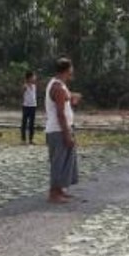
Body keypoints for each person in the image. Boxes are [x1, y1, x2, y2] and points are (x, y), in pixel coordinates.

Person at [44, 57, 80, 204]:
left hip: (62, 128)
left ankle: (60, 190)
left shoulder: (61, 85)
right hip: (58, 130)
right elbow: (60, 113)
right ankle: (54, 193)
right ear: (67, 69)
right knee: (58, 162)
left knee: (65, 161)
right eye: (71, 68)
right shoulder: (57, 87)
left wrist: (72, 99)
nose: (72, 71)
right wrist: (67, 134)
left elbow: (67, 100)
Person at [20, 70, 38, 144]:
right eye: (33, 76)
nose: (35, 78)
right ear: (29, 77)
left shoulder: (34, 86)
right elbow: (22, 93)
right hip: (26, 106)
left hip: (33, 106)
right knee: (24, 123)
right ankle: (23, 139)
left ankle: (31, 139)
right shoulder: (25, 86)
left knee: (32, 123)